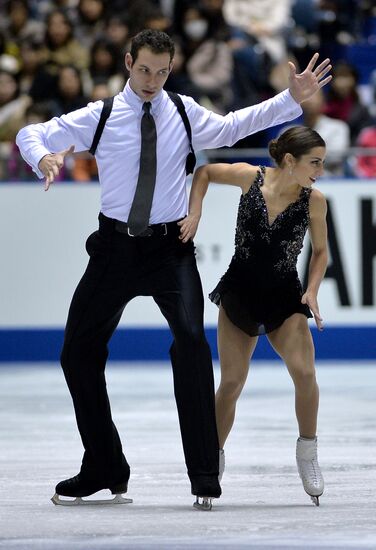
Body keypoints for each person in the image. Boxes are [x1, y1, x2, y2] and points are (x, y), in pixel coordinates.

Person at [16, 29, 331, 510]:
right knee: (76, 353)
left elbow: (230, 127)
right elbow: (30, 132)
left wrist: (289, 99)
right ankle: (105, 466)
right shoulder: (100, 115)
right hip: (114, 249)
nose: (151, 80)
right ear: (128, 62)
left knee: (190, 341)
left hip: (170, 249)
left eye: (162, 72)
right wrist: (44, 156)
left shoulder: (183, 111)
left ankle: (205, 474)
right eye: (144, 69)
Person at [179, 126, 328, 506]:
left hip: (284, 296)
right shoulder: (249, 177)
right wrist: (194, 211)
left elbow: (321, 252)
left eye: (323, 163)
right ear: (290, 161)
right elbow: (206, 172)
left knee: (305, 373)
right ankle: (210, 463)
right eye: (315, 162)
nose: (321, 170)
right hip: (240, 294)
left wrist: (311, 290)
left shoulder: (315, 201)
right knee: (231, 383)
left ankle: (307, 451)